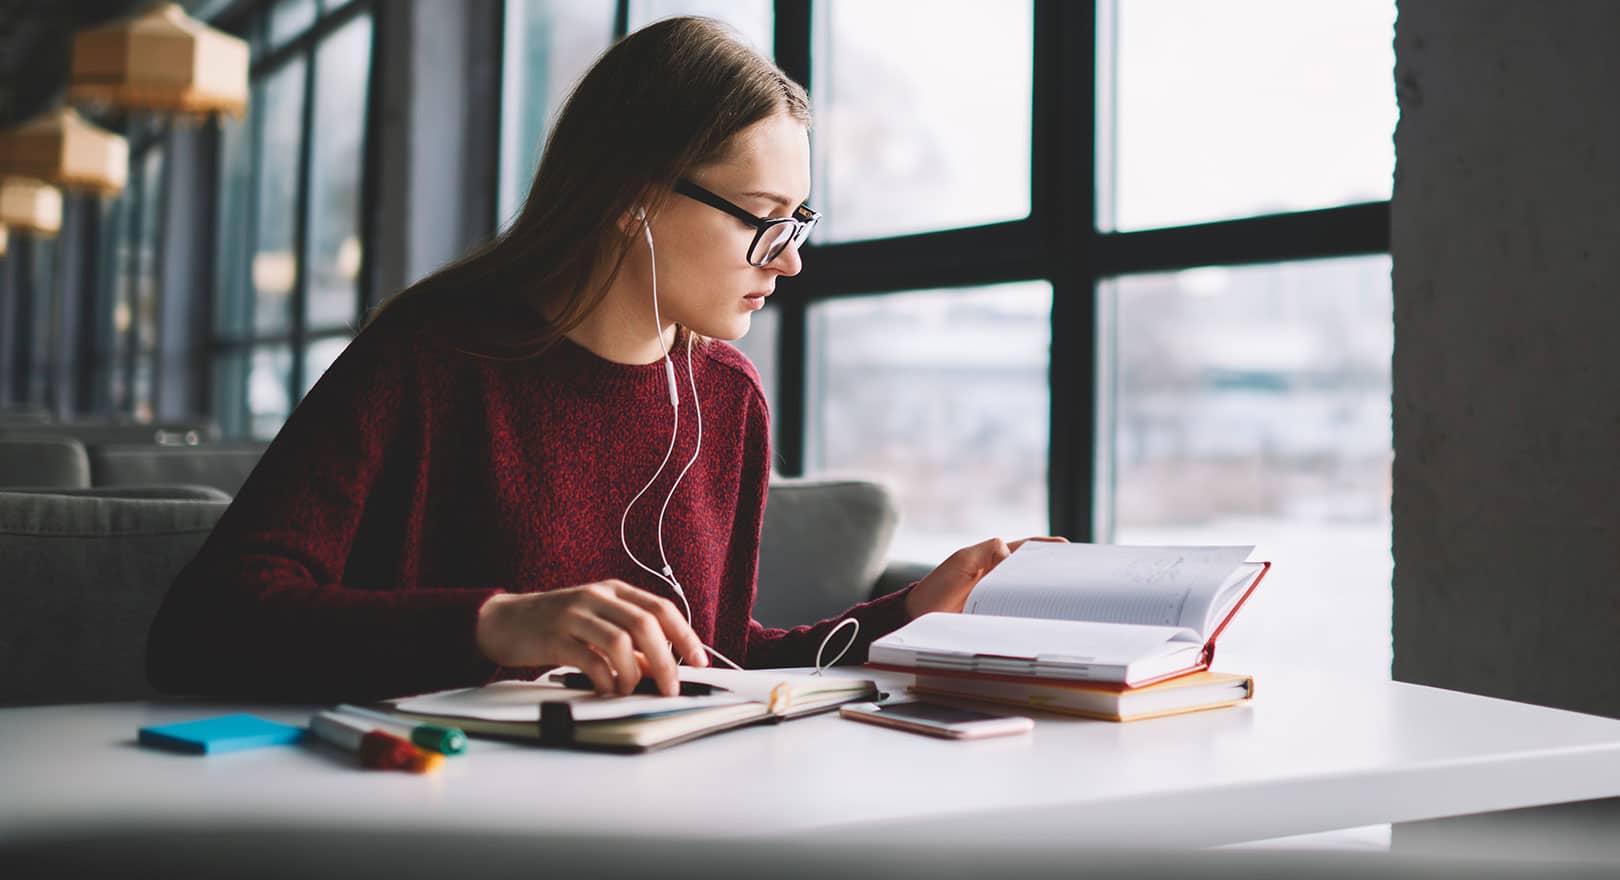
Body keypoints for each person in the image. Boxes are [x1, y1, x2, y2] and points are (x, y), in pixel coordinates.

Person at [146, 16, 1059, 703]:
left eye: (800, 220)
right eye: (763, 218)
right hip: (435, 812)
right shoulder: (431, 355)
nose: (789, 259)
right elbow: (207, 627)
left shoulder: (723, 398)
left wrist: (905, 614)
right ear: (633, 197)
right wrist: (500, 624)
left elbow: (716, 662)